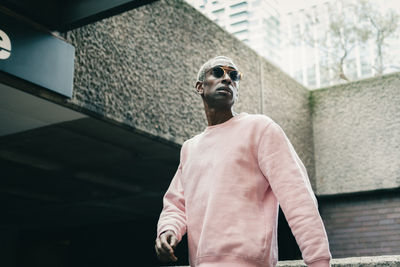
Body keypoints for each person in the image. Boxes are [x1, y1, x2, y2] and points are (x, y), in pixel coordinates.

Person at [154, 56, 331, 267]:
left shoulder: (260, 129)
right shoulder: (190, 149)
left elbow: (298, 199)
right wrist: (168, 230)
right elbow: (176, 204)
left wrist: (319, 262)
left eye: (234, 75)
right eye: (218, 72)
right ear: (200, 87)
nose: (227, 79)